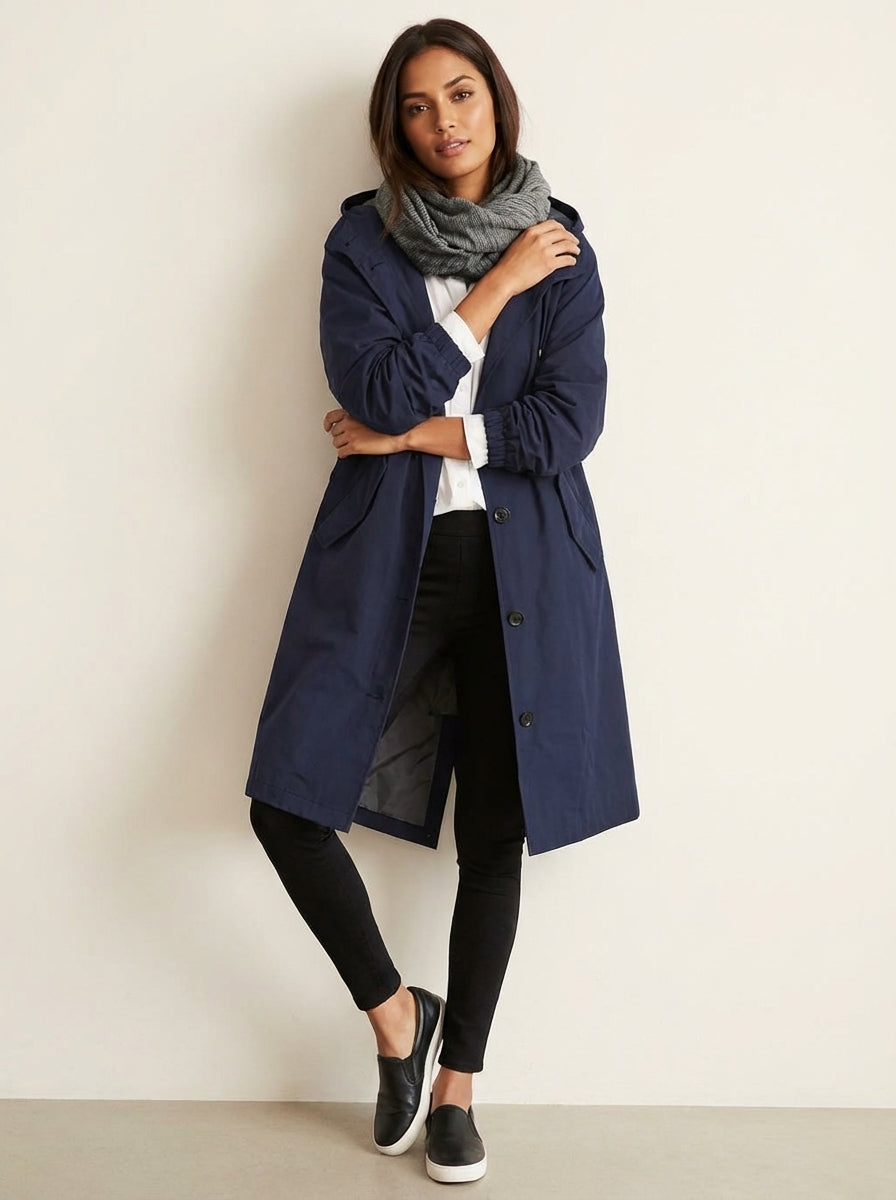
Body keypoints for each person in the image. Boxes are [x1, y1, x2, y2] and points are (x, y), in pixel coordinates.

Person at [245, 17, 639, 1185]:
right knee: (286, 800)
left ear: (494, 102)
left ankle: (459, 1087)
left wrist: (414, 434)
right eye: (416, 105)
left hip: (528, 572)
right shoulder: (361, 245)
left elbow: (567, 427)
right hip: (387, 563)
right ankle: (396, 1018)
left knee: (493, 835)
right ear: (395, 126)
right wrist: (489, 292)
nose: (442, 122)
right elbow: (368, 384)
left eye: (459, 94)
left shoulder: (561, 244)